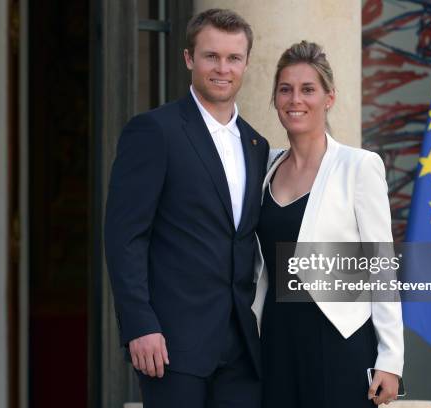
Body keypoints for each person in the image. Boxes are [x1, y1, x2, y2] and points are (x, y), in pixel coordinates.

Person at [104, 8, 269, 408]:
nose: (222, 68)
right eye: (211, 56)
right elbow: (124, 236)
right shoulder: (154, 131)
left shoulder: (257, 145)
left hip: (242, 349)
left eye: (233, 58)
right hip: (171, 345)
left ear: (246, 63)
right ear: (189, 59)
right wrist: (139, 324)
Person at [252, 41, 404, 407]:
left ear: (329, 98)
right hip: (275, 338)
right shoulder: (265, 165)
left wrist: (391, 360)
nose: (295, 100)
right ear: (275, 98)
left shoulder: (359, 166)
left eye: (308, 89)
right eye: (285, 89)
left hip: (339, 339)